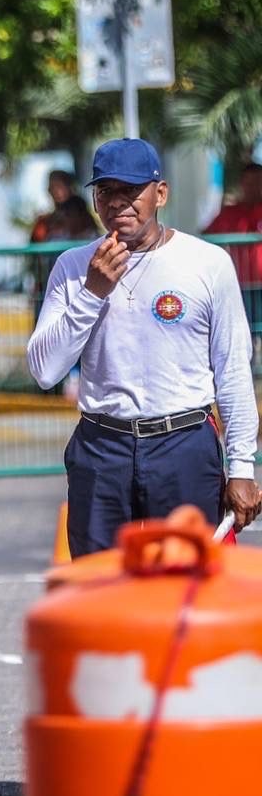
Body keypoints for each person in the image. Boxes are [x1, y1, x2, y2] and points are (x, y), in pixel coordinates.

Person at [27, 138, 262, 556]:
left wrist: (242, 466)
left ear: (161, 193)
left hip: (183, 444)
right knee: (98, 582)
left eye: (131, 189)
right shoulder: (74, 266)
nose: (118, 202)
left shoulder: (207, 263)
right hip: (102, 446)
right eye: (106, 191)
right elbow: (45, 370)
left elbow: (232, 371)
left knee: (187, 581)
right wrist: (92, 293)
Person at [203, 162, 262, 346]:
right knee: (245, 335)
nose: (253, 187)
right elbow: (206, 238)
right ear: (242, 184)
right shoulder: (230, 212)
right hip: (242, 285)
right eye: (248, 182)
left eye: (257, 182)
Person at [29, 169, 80, 243]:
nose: (56, 191)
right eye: (52, 187)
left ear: (69, 188)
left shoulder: (83, 219)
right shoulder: (44, 222)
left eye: (59, 186)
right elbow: (35, 245)